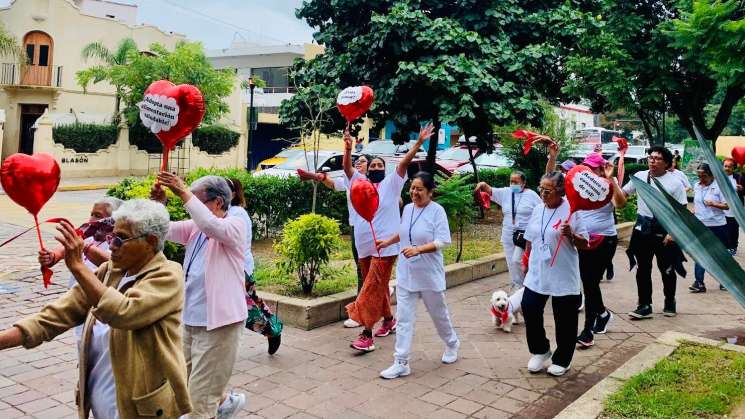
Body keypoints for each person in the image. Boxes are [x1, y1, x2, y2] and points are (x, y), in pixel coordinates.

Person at [0, 199, 191, 418]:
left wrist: (79, 267)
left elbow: (123, 312)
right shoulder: (111, 271)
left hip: (142, 409)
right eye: (112, 236)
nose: (111, 246)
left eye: (121, 239)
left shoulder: (167, 275)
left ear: (150, 242)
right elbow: (57, 314)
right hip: (103, 401)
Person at [151, 174, 248, 419]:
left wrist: (184, 193)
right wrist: (159, 206)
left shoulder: (235, 224)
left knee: (198, 404)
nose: (190, 205)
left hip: (219, 325)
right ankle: (224, 402)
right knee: (182, 384)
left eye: (197, 200)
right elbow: (162, 230)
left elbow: (212, 226)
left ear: (217, 202)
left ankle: (216, 404)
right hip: (192, 321)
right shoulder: (196, 227)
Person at [344, 123, 435, 352]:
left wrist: (419, 142)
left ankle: (366, 334)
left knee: (373, 286)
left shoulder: (391, 184)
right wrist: (347, 149)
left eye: (379, 165)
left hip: (387, 246)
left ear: (385, 169)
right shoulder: (360, 182)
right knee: (375, 285)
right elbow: (347, 169)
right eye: (372, 164)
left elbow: (404, 162)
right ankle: (388, 319)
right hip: (364, 245)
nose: (375, 167)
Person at [377, 172, 459, 379]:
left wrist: (419, 249)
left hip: (429, 274)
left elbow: (443, 241)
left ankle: (451, 343)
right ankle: (401, 362)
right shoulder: (407, 208)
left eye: (419, 189)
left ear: (430, 192)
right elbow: (404, 231)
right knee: (404, 319)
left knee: (439, 316)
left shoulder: (437, 211)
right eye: (412, 188)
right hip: (406, 274)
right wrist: (388, 241)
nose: (414, 192)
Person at [522, 171, 588, 377]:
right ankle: (541, 350)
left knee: (564, 318)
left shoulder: (572, 210)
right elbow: (530, 237)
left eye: (547, 190)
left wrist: (572, 235)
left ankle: (563, 359)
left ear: (560, 191)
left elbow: (585, 244)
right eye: (541, 189)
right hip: (538, 271)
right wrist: (526, 259)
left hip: (562, 273)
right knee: (529, 307)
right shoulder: (538, 209)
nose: (542, 193)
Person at [621, 146, 688, 319]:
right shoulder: (640, 177)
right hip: (642, 229)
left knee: (667, 268)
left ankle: (669, 300)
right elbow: (624, 194)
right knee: (642, 269)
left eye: (657, 158)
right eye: (650, 157)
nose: (652, 160)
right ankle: (644, 305)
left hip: (664, 230)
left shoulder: (675, 183)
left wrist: (672, 233)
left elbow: (682, 210)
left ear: (666, 163)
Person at [574, 153, 627, 348]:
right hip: (584, 240)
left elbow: (620, 203)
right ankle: (603, 314)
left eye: (593, 168)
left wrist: (610, 177)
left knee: (590, 283)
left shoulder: (607, 185)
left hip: (605, 241)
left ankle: (587, 331)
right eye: (586, 167)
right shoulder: (581, 185)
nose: (589, 171)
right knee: (588, 282)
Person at [225, 177, 282, 353]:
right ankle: (274, 328)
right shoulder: (227, 211)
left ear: (232, 193)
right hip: (236, 268)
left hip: (239, 269)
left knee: (243, 309)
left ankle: (271, 331)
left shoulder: (236, 213)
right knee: (252, 301)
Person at [474, 171, 541, 290]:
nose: (513, 184)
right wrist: (482, 185)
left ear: (524, 183)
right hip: (508, 234)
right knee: (511, 262)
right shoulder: (506, 192)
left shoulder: (531, 195)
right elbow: (490, 190)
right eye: (511, 181)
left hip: (523, 235)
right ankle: (517, 286)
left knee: (517, 260)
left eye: (516, 182)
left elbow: (541, 212)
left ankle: (528, 284)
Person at [689, 163, 730, 293]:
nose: (701, 179)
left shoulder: (719, 187)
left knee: (720, 254)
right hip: (701, 225)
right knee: (700, 254)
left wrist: (715, 204)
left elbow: (727, 206)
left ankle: (726, 281)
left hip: (718, 225)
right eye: (699, 176)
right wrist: (695, 211)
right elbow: (697, 202)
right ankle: (699, 283)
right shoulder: (697, 185)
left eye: (704, 176)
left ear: (712, 175)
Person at [723, 158, 744, 257]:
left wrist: (742, 189)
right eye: (725, 166)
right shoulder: (719, 177)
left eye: (729, 166)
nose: (727, 168)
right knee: (723, 228)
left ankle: (733, 247)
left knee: (733, 228)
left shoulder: (739, 177)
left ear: (733, 167)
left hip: (734, 208)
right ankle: (726, 246)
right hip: (721, 207)